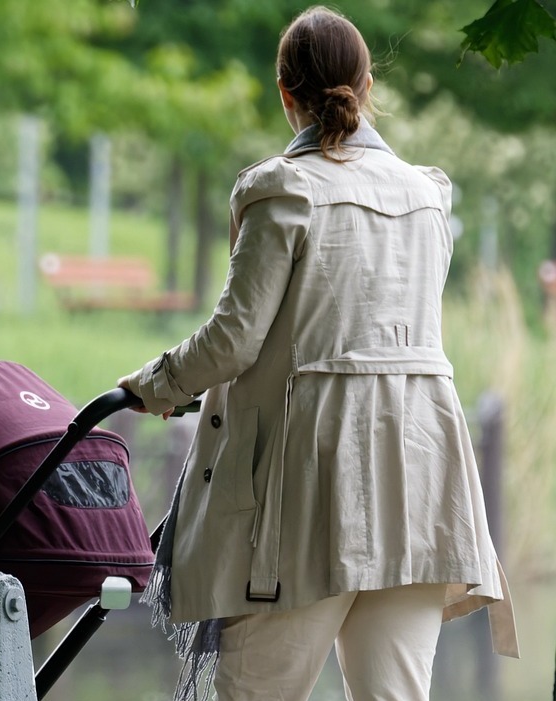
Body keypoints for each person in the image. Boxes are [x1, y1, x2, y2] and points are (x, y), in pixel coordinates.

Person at [116, 7, 518, 700]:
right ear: (366, 86)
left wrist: (154, 383)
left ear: (285, 93)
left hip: (308, 490)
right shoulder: (427, 198)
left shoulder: (283, 190)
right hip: (419, 482)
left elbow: (234, 339)